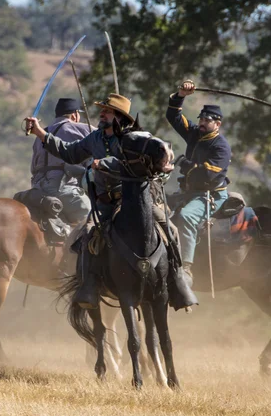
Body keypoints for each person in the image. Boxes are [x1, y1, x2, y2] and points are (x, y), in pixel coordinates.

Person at [25, 93, 198, 310]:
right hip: (106, 201)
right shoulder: (95, 138)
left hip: (137, 201)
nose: (102, 113)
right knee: (86, 235)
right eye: (103, 110)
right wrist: (40, 132)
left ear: (119, 116)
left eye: (107, 111)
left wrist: (111, 162)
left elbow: (162, 152)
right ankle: (88, 286)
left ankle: (179, 283)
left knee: (170, 230)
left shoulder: (137, 137)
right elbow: (70, 153)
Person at [166, 79, 232, 278]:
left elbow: (209, 175)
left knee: (186, 217)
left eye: (207, 120)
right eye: (201, 119)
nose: (202, 123)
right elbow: (173, 116)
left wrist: (188, 165)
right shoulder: (196, 134)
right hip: (188, 192)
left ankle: (185, 267)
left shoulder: (221, 147)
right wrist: (180, 96)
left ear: (217, 124)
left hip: (209, 195)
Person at [30, 98, 92, 226]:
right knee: (93, 221)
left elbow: (33, 167)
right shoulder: (84, 129)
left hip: (37, 190)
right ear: (75, 114)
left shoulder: (40, 134)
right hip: (63, 190)